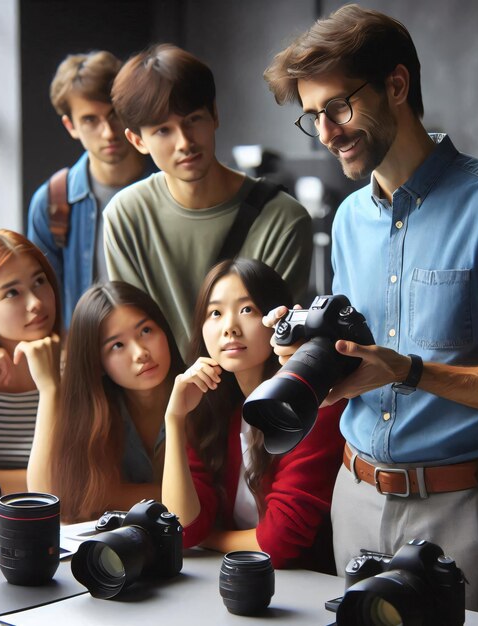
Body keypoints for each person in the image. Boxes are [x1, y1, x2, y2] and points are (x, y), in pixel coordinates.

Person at [262, 4, 478, 619]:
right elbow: (364, 359)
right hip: (353, 497)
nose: (326, 133)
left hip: (466, 507)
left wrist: (408, 370)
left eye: (338, 108)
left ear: (396, 85)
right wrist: (315, 364)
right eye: (312, 117)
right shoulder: (348, 218)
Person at [104, 44, 313, 357]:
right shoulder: (126, 215)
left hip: (248, 400)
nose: (184, 142)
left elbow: (270, 347)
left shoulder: (283, 219)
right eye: (163, 130)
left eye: (193, 119)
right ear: (137, 140)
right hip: (165, 400)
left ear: (214, 114)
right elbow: (135, 337)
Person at [161, 258, 345, 572]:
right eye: (215, 313)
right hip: (239, 581)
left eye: (247, 310)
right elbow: (183, 525)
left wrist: (213, 539)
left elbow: (279, 542)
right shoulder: (213, 408)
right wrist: (175, 420)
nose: (229, 327)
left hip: (308, 590)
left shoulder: (314, 404)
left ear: (278, 322)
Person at [27, 281, 184, 522]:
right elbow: (50, 496)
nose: (140, 352)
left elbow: (207, 499)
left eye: (146, 331)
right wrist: (49, 390)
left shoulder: (199, 395)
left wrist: (111, 494)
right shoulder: (97, 413)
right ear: (97, 363)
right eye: (117, 345)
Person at [27, 51, 152, 328]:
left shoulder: (169, 183)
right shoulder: (52, 201)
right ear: (71, 126)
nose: (107, 132)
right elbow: (41, 306)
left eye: (114, 115)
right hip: (89, 358)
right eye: (90, 120)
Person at [0, 230, 61, 494]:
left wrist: (50, 389)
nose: (36, 302)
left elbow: (57, 488)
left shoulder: (85, 363)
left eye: (39, 281)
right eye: (12, 292)